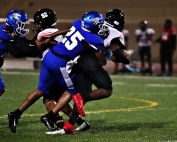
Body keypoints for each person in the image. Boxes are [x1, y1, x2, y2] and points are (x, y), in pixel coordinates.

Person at [7, 11, 107, 133]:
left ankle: (16, 114)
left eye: (38, 23)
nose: (37, 25)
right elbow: (102, 61)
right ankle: (52, 117)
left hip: (50, 59)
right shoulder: (94, 38)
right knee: (74, 89)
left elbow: (68, 30)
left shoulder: (77, 24)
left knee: (43, 92)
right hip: (60, 63)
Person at [41, 8, 130, 135]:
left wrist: (52, 35)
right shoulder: (115, 33)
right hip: (90, 62)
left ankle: (65, 123)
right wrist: (127, 60)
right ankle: (81, 99)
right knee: (106, 90)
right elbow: (116, 55)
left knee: (79, 92)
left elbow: (71, 29)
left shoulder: (93, 24)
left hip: (77, 60)